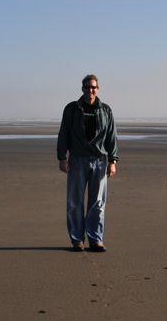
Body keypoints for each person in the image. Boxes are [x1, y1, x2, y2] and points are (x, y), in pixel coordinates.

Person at [56, 74, 118, 252]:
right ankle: (77, 240)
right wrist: (62, 157)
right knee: (74, 201)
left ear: (98, 89)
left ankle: (95, 239)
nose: (90, 90)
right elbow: (64, 133)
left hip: (100, 160)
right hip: (77, 160)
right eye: (87, 87)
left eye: (93, 87)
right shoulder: (72, 109)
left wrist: (112, 160)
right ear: (82, 89)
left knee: (97, 202)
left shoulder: (105, 110)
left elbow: (111, 136)